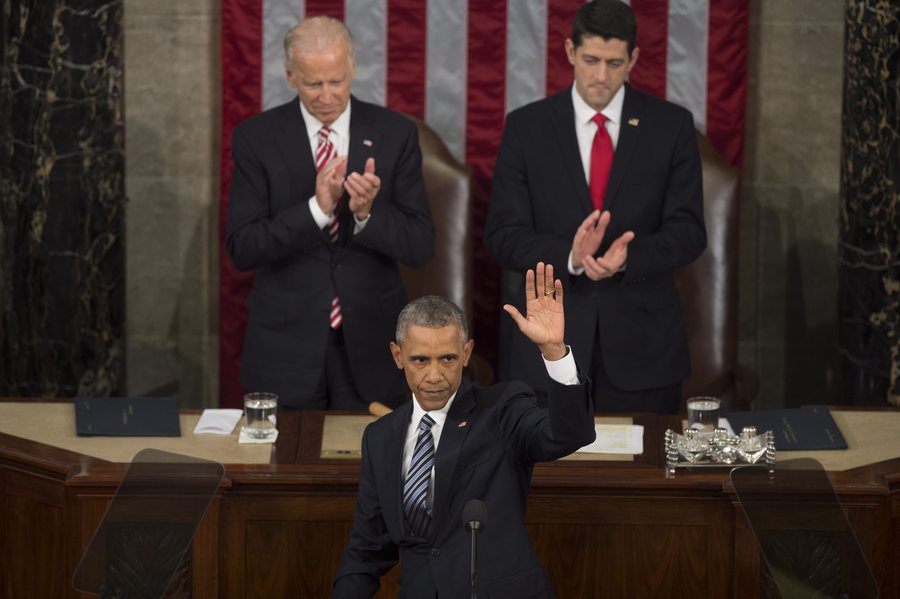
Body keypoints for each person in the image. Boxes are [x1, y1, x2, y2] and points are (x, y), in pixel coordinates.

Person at [485, 0, 707, 414]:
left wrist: (627, 258)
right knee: (546, 477)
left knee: (641, 478)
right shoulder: (526, 127)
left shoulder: (671, 126)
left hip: (644, 353)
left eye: (614, 62)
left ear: (634, 59)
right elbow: (502, 236)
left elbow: (690, 231)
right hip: (549, 349)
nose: (601, 76)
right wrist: (569, 257)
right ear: (570, 52)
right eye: (590, 60)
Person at [332, 262, 595, 598]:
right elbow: (367, 548)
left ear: (467, 353)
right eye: (420, 360)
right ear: (398, 356)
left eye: (447, 359)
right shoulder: (380, 438)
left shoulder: (502, 409)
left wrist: (554, 351)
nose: (434, 376)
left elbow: (568, 435)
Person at [226, 17, 434, 410]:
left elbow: (421, 244)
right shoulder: (256, 138)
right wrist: (316, 209)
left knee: (373, 467)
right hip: (285, 349)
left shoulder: (395, 134)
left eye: (336, 81)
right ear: (290, 75)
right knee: (284, 467)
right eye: (312, 83)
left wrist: (366, 214)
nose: (326, 95)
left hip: (373, 344)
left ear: (353, 68)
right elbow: (242, 248)